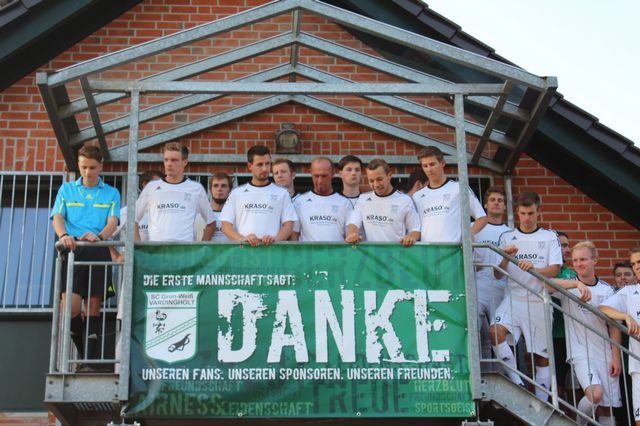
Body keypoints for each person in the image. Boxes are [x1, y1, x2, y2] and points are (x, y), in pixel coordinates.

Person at [50, 145, 120, 371]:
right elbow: (57, 216)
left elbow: (113, 222)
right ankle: (82, 353)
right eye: (83, 167)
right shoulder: (67, 189)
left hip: (97, 249)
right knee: (70, 307)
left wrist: (100, 236)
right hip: (72, 250)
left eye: (92, 167)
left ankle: (88, 361)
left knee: (93, 304)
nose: (87, 172)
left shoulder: (112, 192)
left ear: (101, 166)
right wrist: (64, 235)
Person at [488, 191, 562, 401]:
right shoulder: (507, 237)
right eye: (522, 213)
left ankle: (541, 405)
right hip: (513, 298)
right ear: (517, 212)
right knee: (494, 332)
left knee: (541, 358)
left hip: (539, 301)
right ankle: (517, 383)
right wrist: (506, 258)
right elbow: (497, 274)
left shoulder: (550, 236)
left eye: (530, 213)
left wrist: (534, 269)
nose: (527, 218)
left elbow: (555, 269)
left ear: (538, 211)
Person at [554, 241, 621, 426]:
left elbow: (614, 326)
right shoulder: (569, 286)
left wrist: (616, 357)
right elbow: (544, 284)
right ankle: (579, 423)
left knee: (607, 407)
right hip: (580, 353)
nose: (578, 263)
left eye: (583, 259)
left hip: (605, 353)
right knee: (595, 395)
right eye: (575, 260)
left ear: (595, 260)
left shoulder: (607, 290)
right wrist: (576, 283)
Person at [135, 142, 215, 242]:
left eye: (174, 160)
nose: (169, 164)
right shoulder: (151, 187)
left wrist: (201, 248)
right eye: (166, 160)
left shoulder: (196, 189)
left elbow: (211, 222)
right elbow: (133, 219)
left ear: (184, 162)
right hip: (156, 249)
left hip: (184, 249)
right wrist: (138, 247)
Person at [220, 145, 296, 246]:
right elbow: (225, 226)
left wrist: (275, 240)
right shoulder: (237, 193)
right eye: (260, 164)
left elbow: (289, 225)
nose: (265, 169)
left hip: (271, 252)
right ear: (250, 166)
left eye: (267, 164)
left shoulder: (282, 193)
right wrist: (244, 239)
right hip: (244, 252)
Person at [412, 146, 487, 242]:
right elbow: (415, 228)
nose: (429, 169)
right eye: (425, 166)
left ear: (442, 163)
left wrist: (467, 236)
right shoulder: (417, 196)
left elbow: (482, 218)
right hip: (427, 250)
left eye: (432, 164)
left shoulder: (459, 188)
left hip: (453, 249)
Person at [600, 247, 640, 426]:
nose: (637, 266)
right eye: (634, 263)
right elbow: (602, 308)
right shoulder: (629, 292)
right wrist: (625, 316)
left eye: (639, 262)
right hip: (638, 367)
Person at [473, 186, 511, 363]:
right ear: (485, 205)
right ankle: (481, 374)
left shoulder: (511, 233)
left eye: (500, 201)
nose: (496, 203)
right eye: (492, 200)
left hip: (502, 287)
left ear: (505, 206)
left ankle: (508, 373)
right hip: (477, 285)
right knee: (476, 333)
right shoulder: (474, 228)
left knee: (500, 335)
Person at [345, 158, 420, 246]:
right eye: (371, 181)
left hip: (396, 253)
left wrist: (410, 238)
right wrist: (353, 235)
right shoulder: (363, 199)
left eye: (379, 179)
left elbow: (415, 230)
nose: (376, 184)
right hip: (371, 253)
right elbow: (353, 223)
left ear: (389, 175)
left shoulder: (405, 200)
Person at [292, 157, 351, 242]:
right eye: (316, 176)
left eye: (324, 176)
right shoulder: (299, 202)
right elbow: (294, 233)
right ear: (311, 173)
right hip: (309, 250)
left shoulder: (344, 203)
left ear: (333, 173)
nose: (320, 181)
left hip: (336, 250)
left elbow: (350, 235)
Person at [552, 231, 578, 403]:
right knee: (557, 382)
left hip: (573, 335)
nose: (567, 250)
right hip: (554, 335)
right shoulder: (547, 271)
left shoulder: (571, 273)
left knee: (576, 385)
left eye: (567, 245)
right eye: (563, 245)